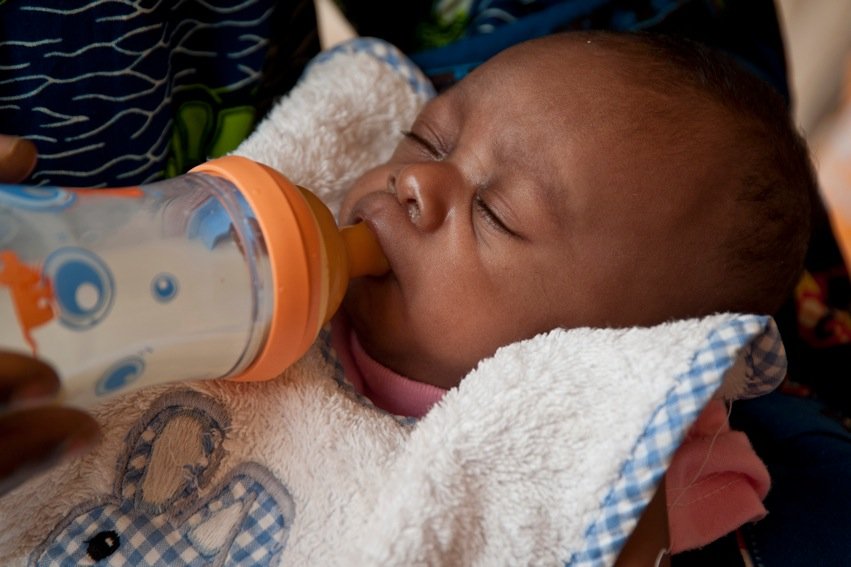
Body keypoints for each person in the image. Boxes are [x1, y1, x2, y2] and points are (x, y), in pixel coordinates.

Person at [0, 12, 826, 567]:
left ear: (604, 355)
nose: (415, 181)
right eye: (428, 137)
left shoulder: (593, 455)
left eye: (494, 212)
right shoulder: (236, 284)